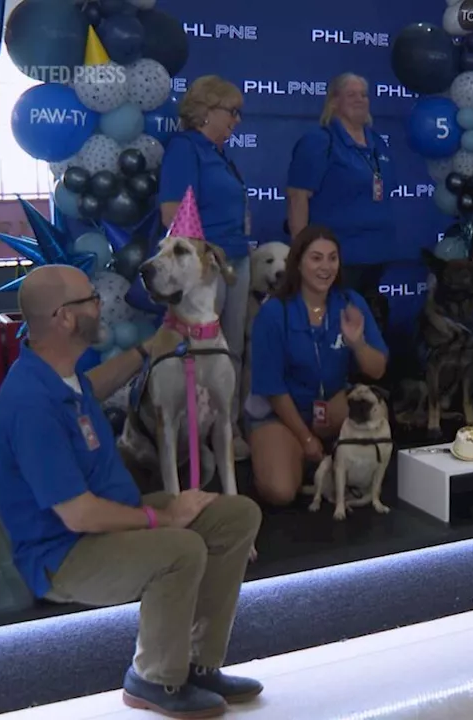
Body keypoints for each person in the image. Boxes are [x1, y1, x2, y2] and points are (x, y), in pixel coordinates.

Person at [0, 265, 263, 719]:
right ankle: (154, 677)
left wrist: (148, 349)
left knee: (236, 516)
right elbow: (78, 515)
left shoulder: (58, 376)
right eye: (90, 299)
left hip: (110, 518)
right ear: (63, 317)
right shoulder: (30, 403)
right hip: (65, 553)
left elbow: (93, 388)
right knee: (181, 547)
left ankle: (198, 663)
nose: (101, 305)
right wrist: (163, 518)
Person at [245, 225, 389, 506]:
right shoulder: (274, 313)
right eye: (316, 258)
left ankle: (324, 459)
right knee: (279, 492)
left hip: (331, 405)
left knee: (376, 408)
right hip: (281, 413)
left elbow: (377, 370)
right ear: (297, 263)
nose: (326, 267)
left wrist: (357, 343)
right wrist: (306, 439)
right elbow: (273, 389)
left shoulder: (350, 302)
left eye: (332, 258)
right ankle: (296, 453)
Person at [159, 75, 252, 458]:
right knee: (202, 354)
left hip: (236, 258)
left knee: (230, 353)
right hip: (206, 267)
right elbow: (172, 216)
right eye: (232, 112)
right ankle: (193, 439)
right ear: (205, 111)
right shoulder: (185, 149)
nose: (237, 120)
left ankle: (226, 431)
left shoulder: (219, 154)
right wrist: (205, 258)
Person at [286, 73, 398, 301]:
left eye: (364, 95)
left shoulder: (377, 142)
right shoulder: (319, 142)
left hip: (378, 254)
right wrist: (302, 254)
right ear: (334, 101)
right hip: (338, 257)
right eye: (351, 95)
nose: (360, 100)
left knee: (365, 327)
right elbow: (297, 197)